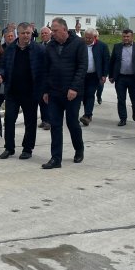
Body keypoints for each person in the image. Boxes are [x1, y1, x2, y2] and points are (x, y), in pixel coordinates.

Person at [41, 18, 86, 169]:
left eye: (55, 31)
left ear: (65, 30)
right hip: (54, 92)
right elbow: (46, 69)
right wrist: (45, 90)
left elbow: (82, 67)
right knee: (55, 125)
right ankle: (56, 158)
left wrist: (74, 88)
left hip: (72, 93)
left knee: (72, 123)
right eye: (52, 31)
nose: (52, 33)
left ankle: (79, 149)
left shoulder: (79, 44)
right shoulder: (50, 46)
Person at [0, 22, 45, 160]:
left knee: (30, 122)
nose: (26, 36)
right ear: (18, 34)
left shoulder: (39, 49)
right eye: (23, 33)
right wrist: (1, 76)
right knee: (9, 120)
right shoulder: (10, 48)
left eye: (28, 33)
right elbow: (3, 66)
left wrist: (42, 89)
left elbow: (43, 70)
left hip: (30, 93)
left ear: (32, 33)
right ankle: (9, 148)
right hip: (12, 92)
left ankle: (27, 149)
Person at [108, 29, 135, 126]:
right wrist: (111, 75)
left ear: (132, 37)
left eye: (128, 36)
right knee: (121, 99)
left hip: (133, 78)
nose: (126, 38)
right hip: (120, 77)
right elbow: (112, 62)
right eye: (124, 36)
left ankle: (134, 109)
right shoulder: (117, 47)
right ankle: (123, 118)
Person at [79, 28, 109, 126]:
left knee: (90, 94)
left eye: (90, 38)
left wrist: (104, 75)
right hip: (81, 75)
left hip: (94, 75)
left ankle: (87, 115)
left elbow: (106, 61)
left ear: (94, 37)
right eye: (86, 37)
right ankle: (87, 113)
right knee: (83, 95)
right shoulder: (80, 44)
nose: (87, 40)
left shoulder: (102, 46)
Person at [38, 27, 52, 129]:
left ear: (50, 34)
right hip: (40, 77)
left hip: (51, 77)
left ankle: (49, 121)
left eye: (46, 33)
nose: (44, 35)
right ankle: (44, 120)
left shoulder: (54, 45)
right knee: (41, 100)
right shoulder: (38, 46)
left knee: (48, 100)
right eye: (42, 33)